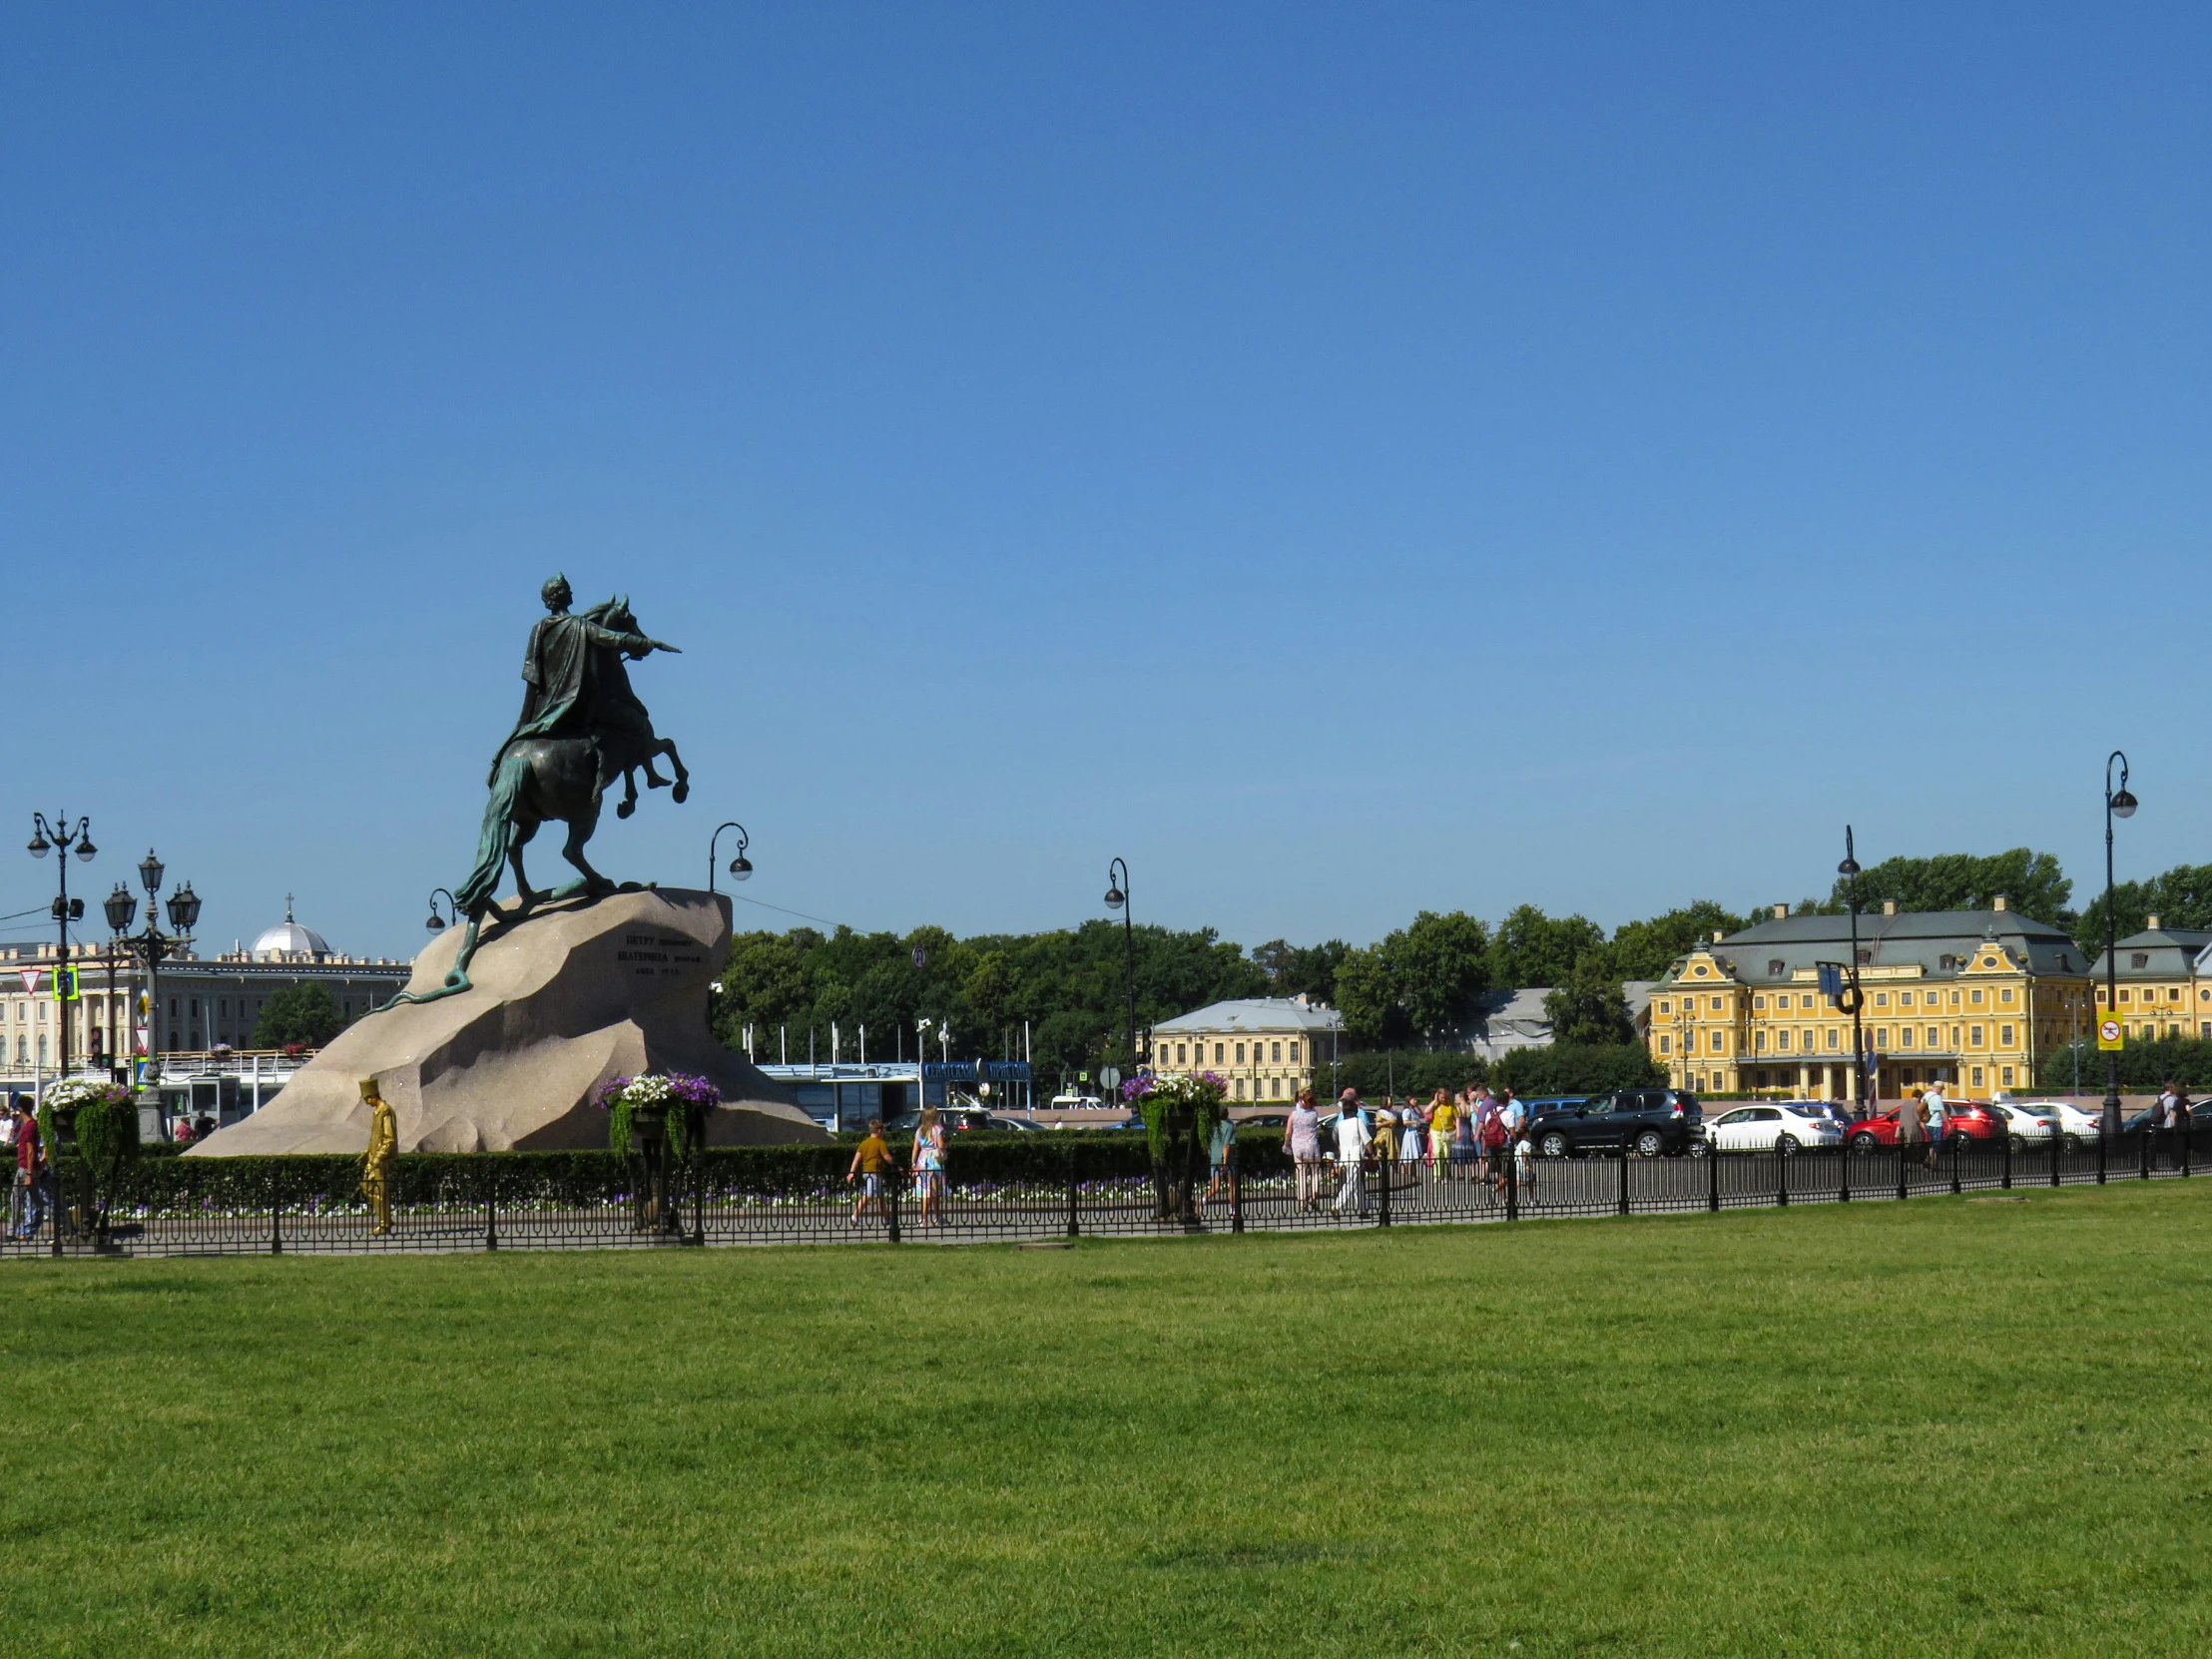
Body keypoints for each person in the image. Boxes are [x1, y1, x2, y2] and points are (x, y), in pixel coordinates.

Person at [846, 1117, 894, 1225]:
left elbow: (856, 1159)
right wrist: (895, 1164)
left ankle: (887, 1218)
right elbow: (887, 1157)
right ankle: (855, 1215)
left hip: (866, 1172)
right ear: (879, 1131)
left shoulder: (863, 1144)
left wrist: (851, 1172)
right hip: (875, 1172)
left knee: (880, 1197)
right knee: (868, 1195)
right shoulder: (880, 1143)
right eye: (882, 1130)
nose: (883, 1133)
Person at [1333, 1088, 1372, 1215]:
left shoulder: (1342, 1124)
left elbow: (1338, 1141)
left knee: (1357, 1183)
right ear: (1355, 1111)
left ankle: (1362, 1209)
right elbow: (1367, 1140)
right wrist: (1372, 1154)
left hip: (1344, 1156)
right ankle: (1336, 1206)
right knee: (1351, 1183)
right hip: (1355, 1156)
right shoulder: (1358, 1121)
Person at [1285, 1090, 1324, 1212]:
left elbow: (1288, 1132)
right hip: (1312, 1146)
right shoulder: (1314, 1114)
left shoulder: (1294, 1115)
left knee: (1301, 1174)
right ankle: (1313, 1195)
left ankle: (1302, 1203)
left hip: (1298, 1147)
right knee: (1316, 1172)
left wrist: (1286, 1144)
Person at [13, 1098, 45, 1242]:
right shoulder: (32, 1125)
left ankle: (13, 1231)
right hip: (29, 1168)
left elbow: (31, 1151)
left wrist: (29, 1173)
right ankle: (26, 1230)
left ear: (20, 1109)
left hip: (26, 1168)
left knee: (17, 1200)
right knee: (34, 1202)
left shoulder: (28, 1127)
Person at [911, 1106, 947, 1226]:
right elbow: (941, 1145)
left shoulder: (920, 1130)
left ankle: (923, 1218)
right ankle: (937, 1217)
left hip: (922, 1161)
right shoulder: (937, 1129)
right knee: (934, 1191)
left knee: (924, 1191)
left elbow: (915, 1148)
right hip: (934, 1161)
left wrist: (913, 1163)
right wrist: (947, 1144)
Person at [1203, 1106, 1236, 1207]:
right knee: (1232, 1186)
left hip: (1214, 1159)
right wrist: (1224, 1163)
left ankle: (1202, 1200)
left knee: (1215, 1187)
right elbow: (1227, 1145)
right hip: (1227, 1160)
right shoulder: (1229, 1125)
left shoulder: (1213, 1125)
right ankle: (1233, 1210)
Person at [1427, 1089, 1456, 1181]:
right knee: (1437, 1152)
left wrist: (1458, 1131)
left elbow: (1457, 1118)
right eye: (1441, 1097)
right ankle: (1437, 1174)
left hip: (1448, 1132)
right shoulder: (1435, 1104)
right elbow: (1426, 1111)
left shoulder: (1451, 1105)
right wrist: (1435, 1101)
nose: (1443, 1099)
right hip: (1435, 1131)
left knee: (1445, 1154)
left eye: (1444, 1097)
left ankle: (1444, 1175)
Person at [1922, 1084, 1946, 1170]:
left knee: (1931, 1144)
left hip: (1928, 1123)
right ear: (1939, 1088)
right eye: (1941, 1089)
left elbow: (1922, 1108)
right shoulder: (1937, 1098)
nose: (1941, 1091)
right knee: (1936, 1145)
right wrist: (1949, 1123)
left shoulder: (1926, 1095)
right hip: (1936, 1124)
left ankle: (1929, 1160)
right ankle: (1933, 1163)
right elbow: (1942, 1111)